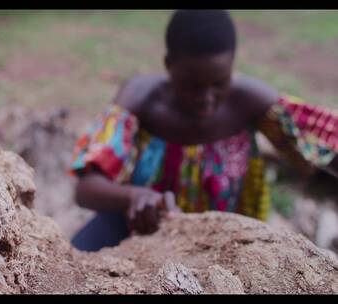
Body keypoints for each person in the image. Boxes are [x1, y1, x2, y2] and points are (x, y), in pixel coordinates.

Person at [70, 10, 338, 252]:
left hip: (229, 239)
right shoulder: (140, 100)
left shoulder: (250, 101)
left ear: (232, 67)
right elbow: (86, 189)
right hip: (143, 226)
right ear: (168, 65)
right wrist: (134, 196)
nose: (207, 98)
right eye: (192, 85)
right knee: (74, 260)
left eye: (219, 84)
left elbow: (322, 144)